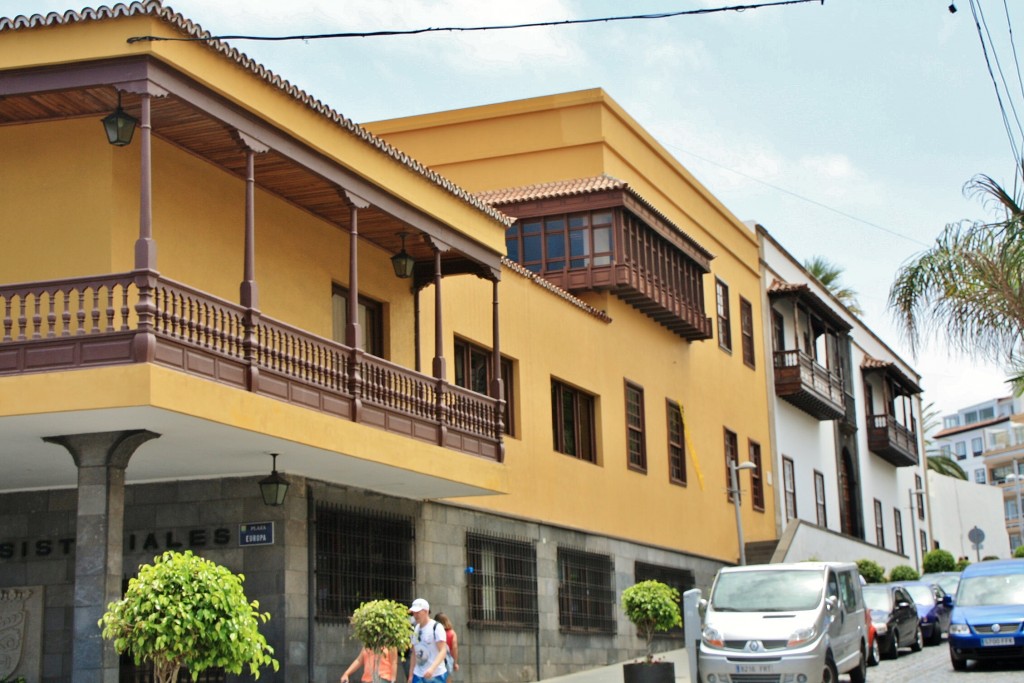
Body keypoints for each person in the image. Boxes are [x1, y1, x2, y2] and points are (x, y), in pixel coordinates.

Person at [407, 598, 447, 683]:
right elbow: (414, 653)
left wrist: (432, 669)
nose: (415, 615)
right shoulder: (415, 629)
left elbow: (443, 651)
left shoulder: (436, 627)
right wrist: (411, 676)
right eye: (414, 613)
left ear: (426, 611)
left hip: (436, 675)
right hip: (418, 674)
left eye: (418, 612)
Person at [433, 612, 459, 678]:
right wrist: (455, 663)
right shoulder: (452, 633)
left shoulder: (434, 632)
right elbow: (454, 648)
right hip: (447, 661)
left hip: (436, 661)